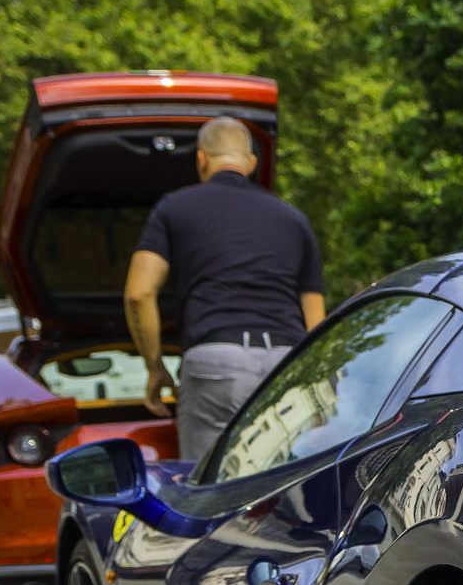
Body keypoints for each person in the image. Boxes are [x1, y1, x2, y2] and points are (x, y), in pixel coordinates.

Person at [123, 117, 325, 463]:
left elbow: (138, 293)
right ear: (250, 163)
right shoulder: (294, 219)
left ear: (201, 160)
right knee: (283, 489)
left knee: (210, 496)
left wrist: (155, 368)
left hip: (216, 362)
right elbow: (315, 318)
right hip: (285, 363)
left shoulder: (174, 208)